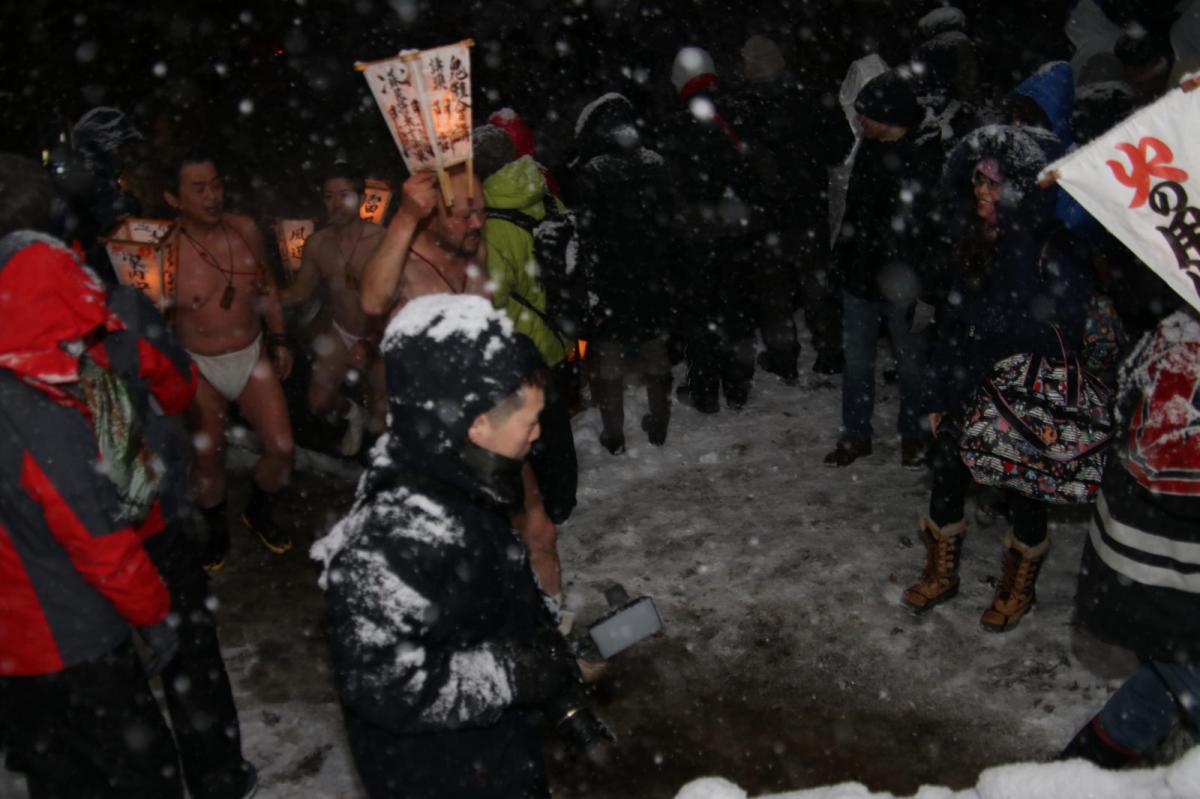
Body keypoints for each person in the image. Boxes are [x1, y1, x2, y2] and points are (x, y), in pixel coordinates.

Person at [312, 294, 608, 799]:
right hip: (436, 778)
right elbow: (384, 684)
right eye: (528, 422)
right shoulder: (389, 539)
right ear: (476, 422)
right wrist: (511, 675)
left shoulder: (466, 483)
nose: (536, 436)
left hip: (499, 760)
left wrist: (552, 666)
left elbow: (501, 600)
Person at [0, 154, 181, 798]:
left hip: (14, 652)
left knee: (58, 780)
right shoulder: (36, 414)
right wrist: (154, 615)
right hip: (72, 641)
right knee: (140, 779)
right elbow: (98, 540)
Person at [900, 125, 1090, 632]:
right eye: (978, 181)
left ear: (1023, 190)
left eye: (994, 183)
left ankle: (1017, 587)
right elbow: (953, 323)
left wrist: (995, 320)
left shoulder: (1054, 246)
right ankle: (941, 572)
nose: (982, 192)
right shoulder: (973, 238)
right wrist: (938, 394)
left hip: (1026, 393)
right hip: (968, 384)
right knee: (946, 477)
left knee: (1026, 493)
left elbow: (1065, 330)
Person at [1061, 308, 1200, 767]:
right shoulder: (1185, 353)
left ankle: (1068, 781)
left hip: (1161, 588)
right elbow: (1164, 467)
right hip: (1166, 588)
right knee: (1169, 680)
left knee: (1149, 701)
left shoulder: (1177, 332)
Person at [165, 149, 295, 567]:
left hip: (250, 353)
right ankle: (215, 530)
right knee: (208, 457)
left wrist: (279, 338)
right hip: (198, 363)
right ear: (174, 198)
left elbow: (266, 287)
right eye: (199, 188)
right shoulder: (162, 249)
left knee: (282, 448)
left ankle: (258, 511)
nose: (212, 196)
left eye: (216, 185)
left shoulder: (245, 229)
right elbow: (151, 318)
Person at [477, 128, 579, 597]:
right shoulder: (541, 190)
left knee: (529, 434)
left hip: (523, 341)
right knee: (556, 424)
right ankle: (563, 499)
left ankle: (545, 513)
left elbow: (493, 295)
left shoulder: (494, 222)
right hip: (557, 331)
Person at [823, 68, 940, 468]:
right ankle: (856, 434)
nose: (859, 121)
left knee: (912, 364)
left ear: (890, 117)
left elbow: (933, 233)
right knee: (857, 361)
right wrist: (841, 262)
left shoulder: (926, 160)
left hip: (906, 284)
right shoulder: (870, 148)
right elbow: (855, 212)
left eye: (866, 114)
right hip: (860, 277)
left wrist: (927, 288)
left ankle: (915, 435)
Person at [572, 92, 678, 452]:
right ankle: (659, 421)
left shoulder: (594, 171)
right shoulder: (656, 164)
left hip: (611, 278)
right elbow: (668, 222)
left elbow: (586, 230)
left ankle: (614, 432)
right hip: (651, 275)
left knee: (609, 354)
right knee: (653, 348)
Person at [280, 164, 386, 457]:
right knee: (318, 402)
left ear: (361, 198)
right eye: (329, 196)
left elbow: (396, 300)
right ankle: (353, 414)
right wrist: (263, 295)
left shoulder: (382, 240)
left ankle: (383, 464)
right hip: (341, 331)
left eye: (344, 195)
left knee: (382, 416)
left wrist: (372, 340)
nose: (336, 203)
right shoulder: (318, 243)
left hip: (378, 334)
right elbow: (300, 292)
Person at [359, 164, 489, 318]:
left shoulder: (475, 246)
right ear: (430, 219)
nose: (478, 223)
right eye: (465, 217)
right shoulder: (405, 263)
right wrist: (406, 216)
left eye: (482, 211)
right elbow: (372, 304)